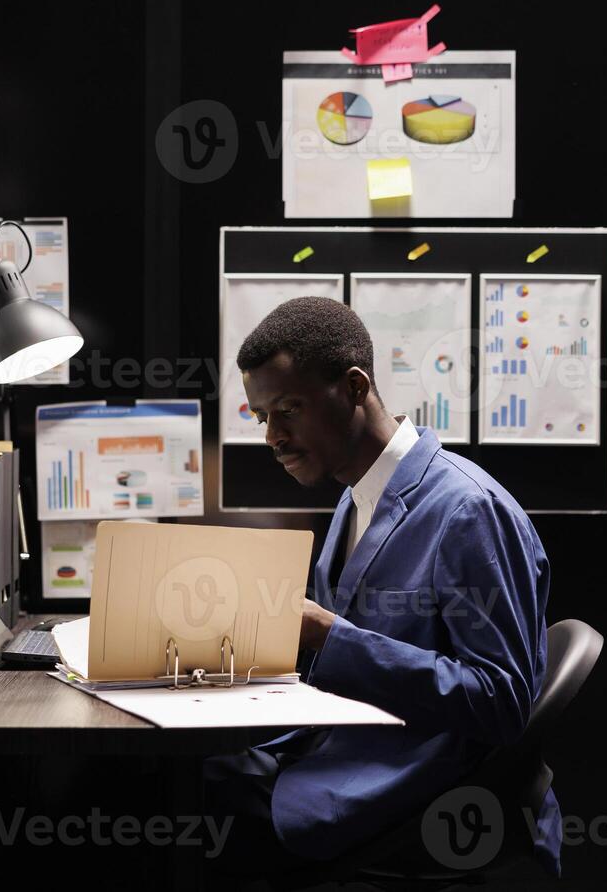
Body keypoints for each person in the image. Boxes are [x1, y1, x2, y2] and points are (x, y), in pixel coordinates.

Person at [202, 296, 559, 878]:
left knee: (195, 812)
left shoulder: (469, 510)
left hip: (410, 784)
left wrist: (327, 634)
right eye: (261, 416)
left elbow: (501, 701)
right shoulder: (353, 499)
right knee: (183, 776)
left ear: (353, 386)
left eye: (289, 408)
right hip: (341, 749)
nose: (273, 436)